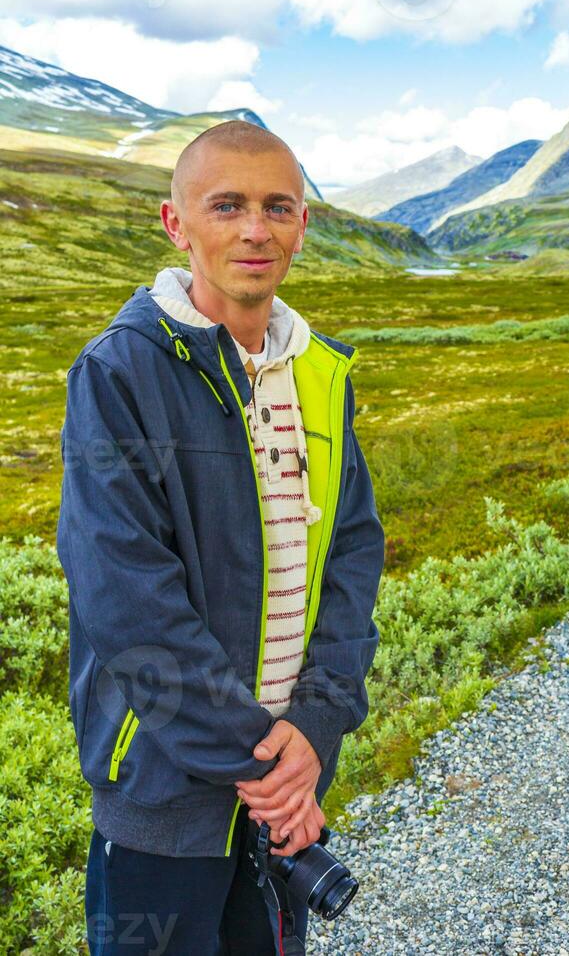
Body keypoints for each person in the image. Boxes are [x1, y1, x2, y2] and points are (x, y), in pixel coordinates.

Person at [56, 120, 385, 954]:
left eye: (279, 207)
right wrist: (262, 763)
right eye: (227, 205)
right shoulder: (120, 370)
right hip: (170, 791)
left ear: (303, 224)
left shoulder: (320, 373)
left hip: (286, 777)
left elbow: (352, 553)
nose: (255, 229)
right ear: (177, 223)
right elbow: (124, 595)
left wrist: (315, 726)